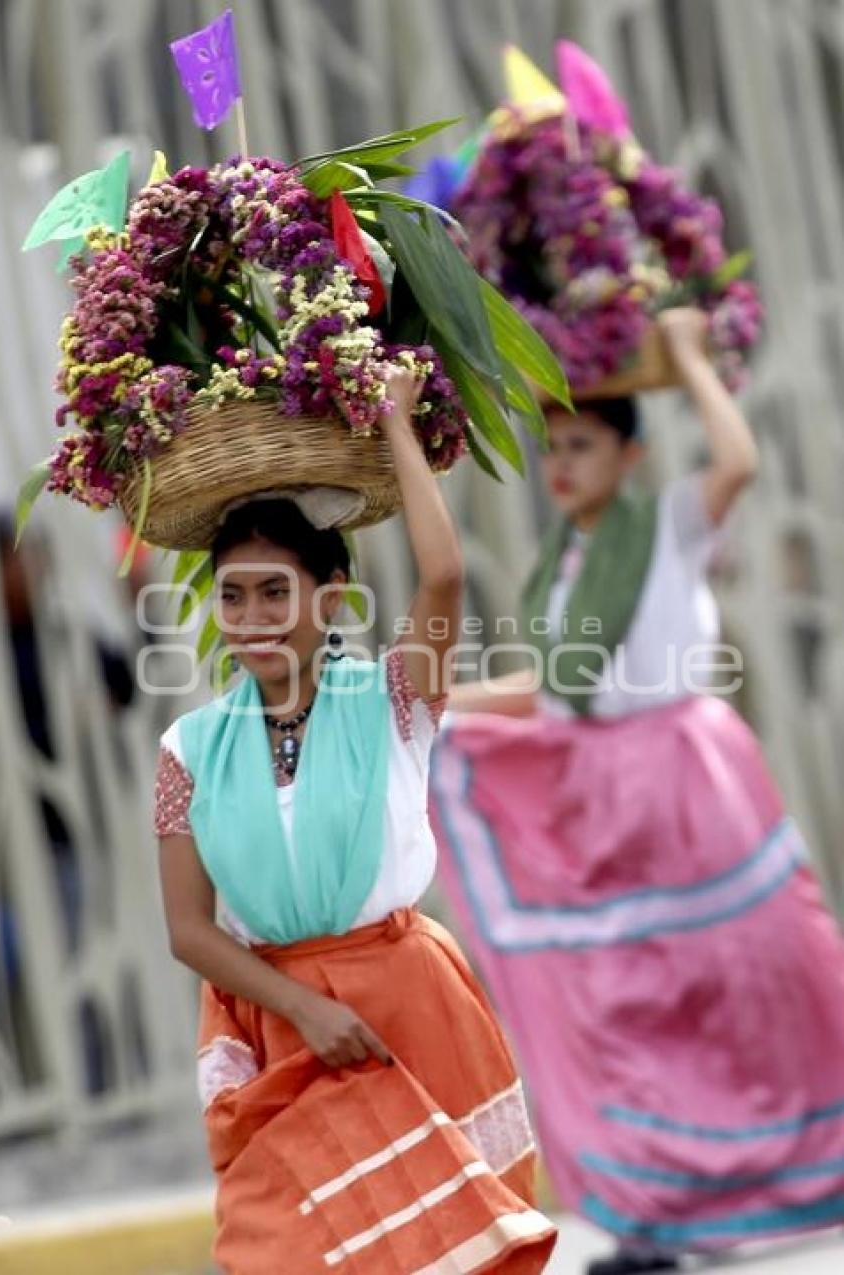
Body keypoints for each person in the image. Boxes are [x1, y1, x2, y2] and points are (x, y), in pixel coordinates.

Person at [429, 310, 844, 1275]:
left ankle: (814, 1159)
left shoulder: (666, 528)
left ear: (630, 453)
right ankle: (652, 1214)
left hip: (685, 779)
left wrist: (692, 360)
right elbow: (559, 685)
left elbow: (735, 462)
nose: (562, 465)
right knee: (629, 999)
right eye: (553, 447)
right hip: (601, 787)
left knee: (759, 968)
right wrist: (432, 700)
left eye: (583, 445)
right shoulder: (562, 566)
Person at [153, 368, 557, 1275]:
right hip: (282, 1028)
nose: (250, 619)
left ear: (329, 597)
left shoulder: (391, 702)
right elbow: (186, 928)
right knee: (280, 1251)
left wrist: (394, 425)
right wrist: (300, 1005)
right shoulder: (187, 747)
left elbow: (444, 572)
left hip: (407, 1009)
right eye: (232, 595)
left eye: (273, 592)